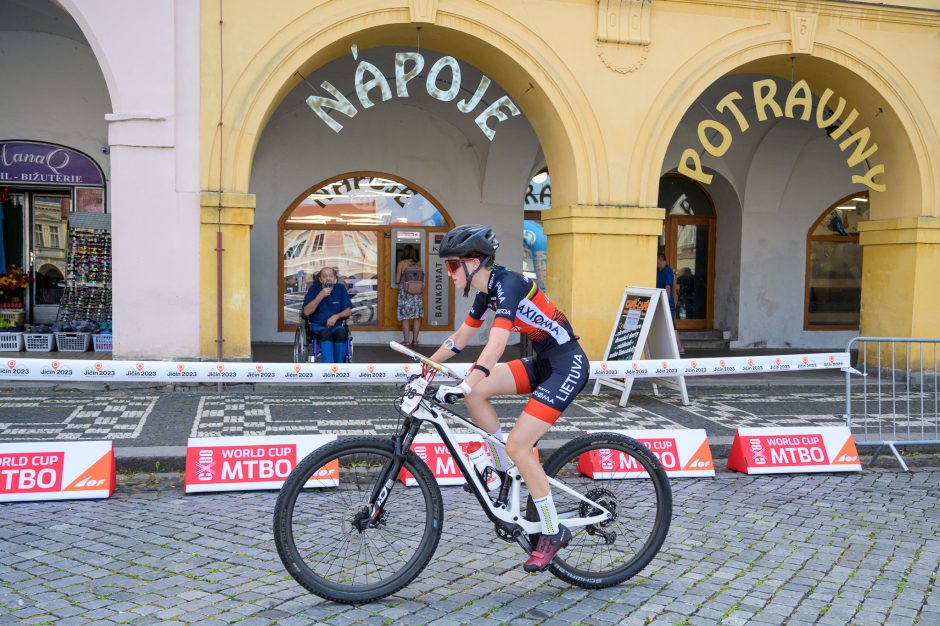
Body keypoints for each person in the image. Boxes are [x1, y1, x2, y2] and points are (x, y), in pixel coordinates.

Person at [426, 224, 589, 572]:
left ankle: (551, 529)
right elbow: (460, 338)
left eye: (452, 266)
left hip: (567, 363)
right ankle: (503, 472)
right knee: (478, 395)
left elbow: (496, 345)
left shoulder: (509, 283)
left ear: (474, 263)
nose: (449, 273)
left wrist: (466, 382)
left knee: (518, 443)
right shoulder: (487, 294)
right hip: (542, 361)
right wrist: (425, 368)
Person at [302, 266, 352, 363]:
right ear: (320, 279)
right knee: (326, 334)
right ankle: (328, 371)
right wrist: (320, 296)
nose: (328, 278)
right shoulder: (314, 289)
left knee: (341, 334)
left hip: (336, 326)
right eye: (325, 276)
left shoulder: (340, 289)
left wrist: (336, 316)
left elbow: (348, 311)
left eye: (330, 276)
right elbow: (306, 312)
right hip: (318, 326)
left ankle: (338, 368)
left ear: (335, 279)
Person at [656, 251, 685, 354]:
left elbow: (667, 289)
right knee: (669, 324)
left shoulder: (667, 271)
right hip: (662, 302)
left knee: (671, 324)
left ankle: (679, 347)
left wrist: (665, 303)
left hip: (667, 303)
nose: (656, 263)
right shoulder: (661, 271)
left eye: (657, 261)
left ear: (660, 260)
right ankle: (677, 347)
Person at [395, 244, 424, 346]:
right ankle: (415, 341)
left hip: (405, 293)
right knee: (417, 317)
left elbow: (397, 280)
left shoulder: (401, 263)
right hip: (417, 294)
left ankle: (406, 341)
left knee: (405, 318)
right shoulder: (419, 264)